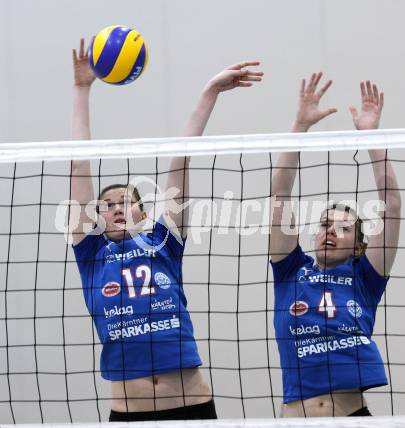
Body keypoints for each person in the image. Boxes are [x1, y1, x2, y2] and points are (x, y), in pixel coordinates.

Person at [70, 38, 263, 421]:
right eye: (107, 205)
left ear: (145, 214)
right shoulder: (91, 255)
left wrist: (210, 92)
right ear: (97, 218)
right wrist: (81, 88)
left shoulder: (163, 241)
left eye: (126, 201)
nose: (116, 208)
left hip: (191, 405)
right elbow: (78, 166)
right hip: (131, 411)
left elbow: (180, 160)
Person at [270, 72, 401, 417]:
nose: (330, 231)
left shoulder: (365, 276)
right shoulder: (290, 270)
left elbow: (392, 202)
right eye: (325, 224)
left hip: (350, 416)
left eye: (343, 228)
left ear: (359, 246)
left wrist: (371, 136)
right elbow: (279, 194)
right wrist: (299, 125)